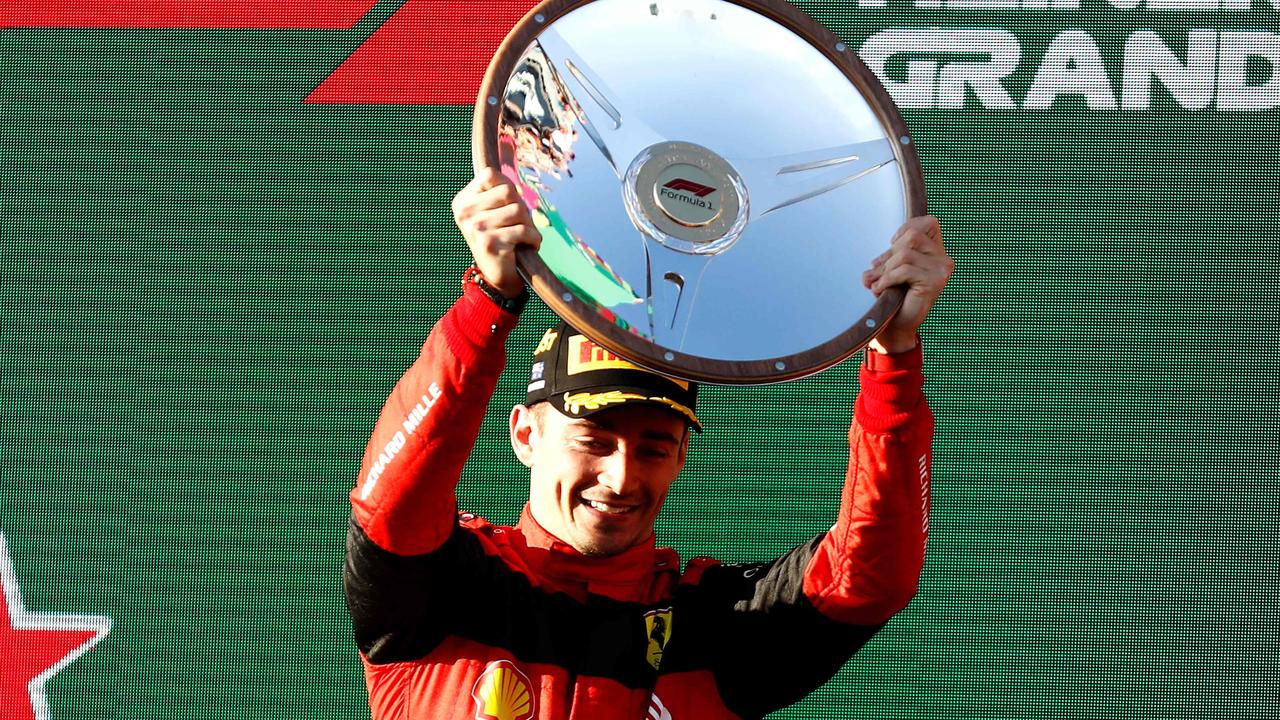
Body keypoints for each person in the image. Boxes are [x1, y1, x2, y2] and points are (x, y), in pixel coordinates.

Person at [344, 168, 954, 719]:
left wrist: (893, 356)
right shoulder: (449, 586)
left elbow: (870, 578)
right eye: (594, 438)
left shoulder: (718, 624)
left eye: (655, 447)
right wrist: (488, 300)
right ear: (526, 434)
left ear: (681, 459)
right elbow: (390, 504)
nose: (622, 477)